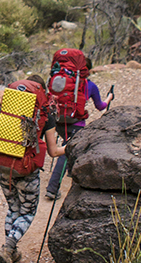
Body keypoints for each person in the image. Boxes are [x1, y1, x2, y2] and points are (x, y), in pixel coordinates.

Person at [0, 74, 65, 263]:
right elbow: (53, 151)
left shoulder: (10, 108)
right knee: (27, 212)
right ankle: (8, 248)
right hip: (26, 170)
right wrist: (71, 147)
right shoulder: (45, 113)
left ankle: (11, 251)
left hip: (2, 166)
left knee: (12, 209)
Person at [44, 58, 113, 203]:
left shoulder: (61, 82)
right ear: (87, 71)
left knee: (66, 144)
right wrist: (109, 98)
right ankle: (52, 188)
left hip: (58, 121)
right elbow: (100, 106)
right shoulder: (90, 86)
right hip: (76, 122)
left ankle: (70, 171)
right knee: (66, 151)